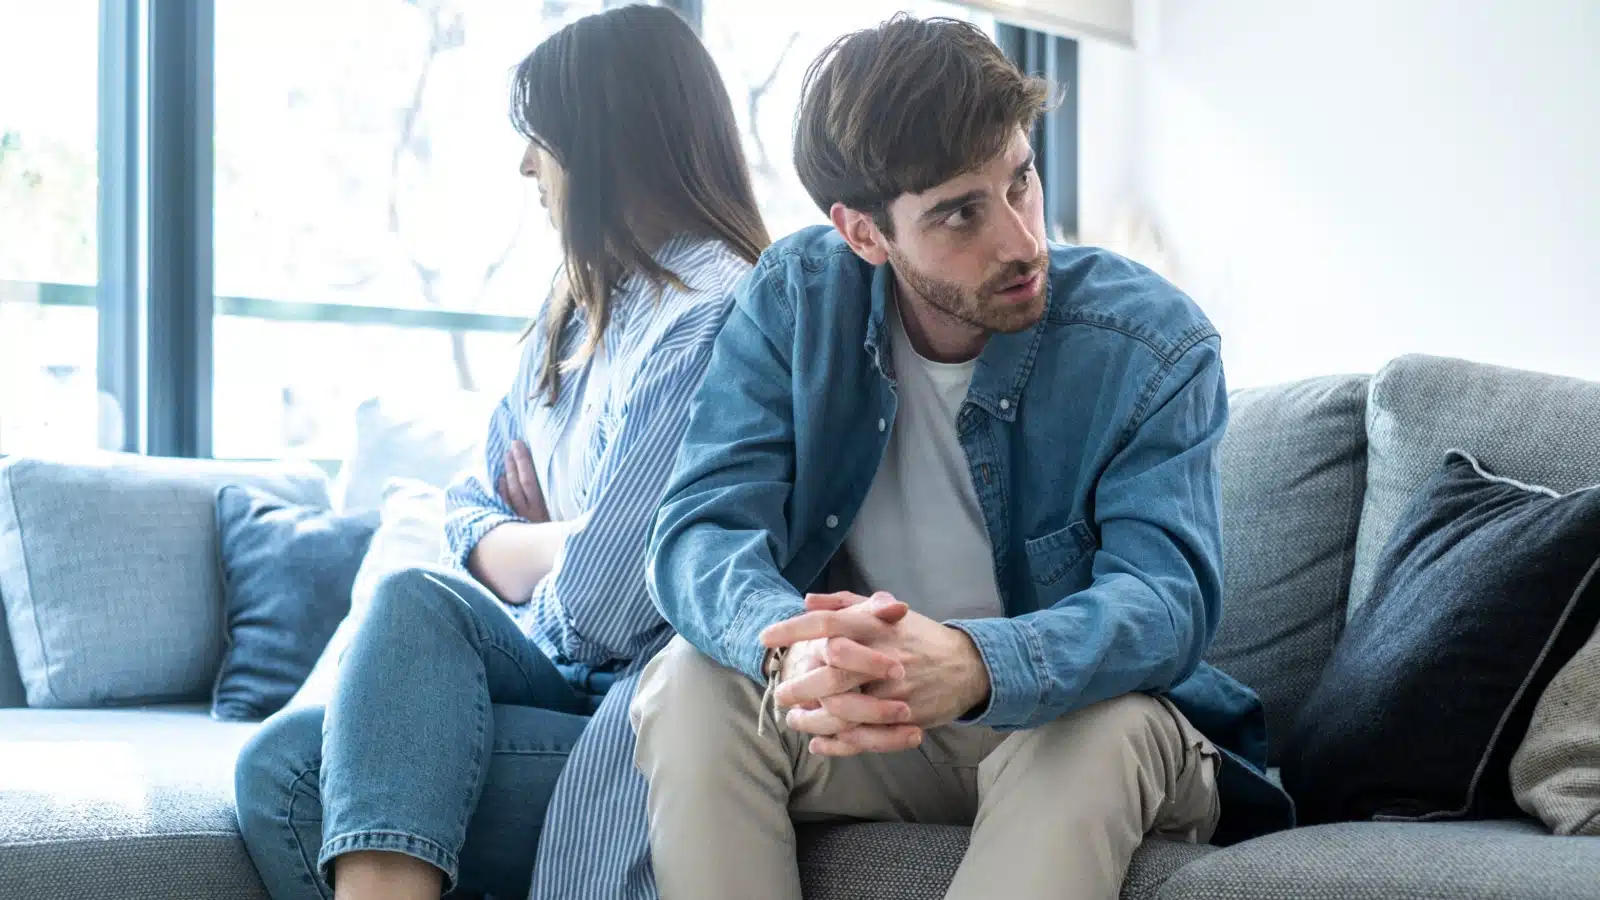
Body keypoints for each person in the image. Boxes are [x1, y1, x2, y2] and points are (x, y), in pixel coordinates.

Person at [632, 15, 1295, 900]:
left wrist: (978, 663)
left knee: (1100, 729)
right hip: (891, 727)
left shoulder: (1151, 341)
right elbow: (699, 528)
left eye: (1020, 181)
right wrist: (792, 653)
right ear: (865, 234)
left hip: (1080, 721)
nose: (1021, 240)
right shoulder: (795, 300)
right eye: (959, 214)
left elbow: (1167, 602)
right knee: (689, 682)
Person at [233, 6, 768, 900]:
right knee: (288, 751)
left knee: (300, 767)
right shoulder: (576, 307)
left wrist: (553, 554)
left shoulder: (713, 315)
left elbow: (605, 610)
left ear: (611, 141)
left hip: (632, 713)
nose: (527, 164)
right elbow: (466, 510)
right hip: (553, 675)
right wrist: (565, 537)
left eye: (542, 140)